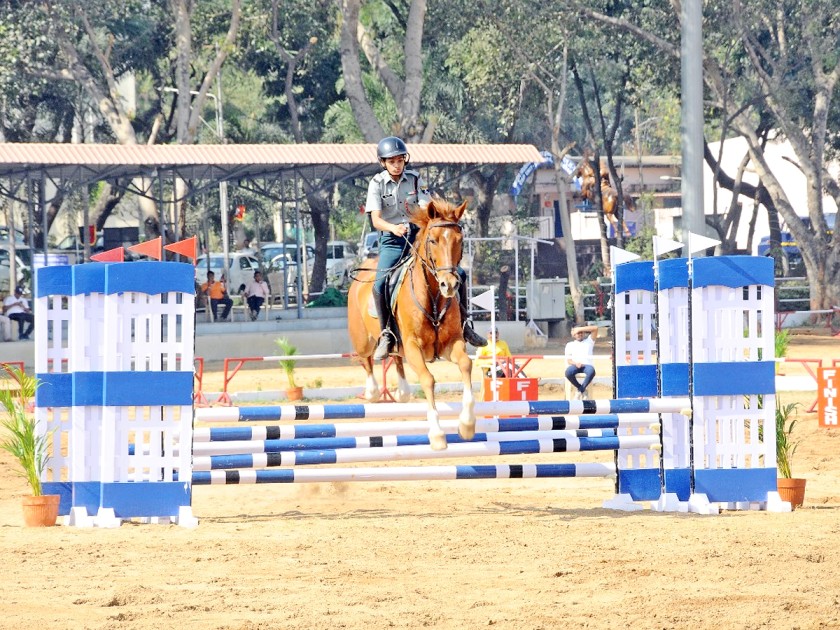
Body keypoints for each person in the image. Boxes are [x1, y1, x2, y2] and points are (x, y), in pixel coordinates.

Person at [365, 136, 487, 360]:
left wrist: (428, 216)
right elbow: (376, 220)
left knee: (458, 274)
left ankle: (466, 324)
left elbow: (424, 203)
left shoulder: (414, 179)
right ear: (383, 163)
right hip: (392, 240)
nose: (397, 164)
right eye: (392, 161)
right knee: (380, 283)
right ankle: (387, 334)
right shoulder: (377, 184)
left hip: (418, 237)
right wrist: (393, 228)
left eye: (400, 160)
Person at [564, 324, 599, 399]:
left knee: (591, 371)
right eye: (578, 333)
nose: (580, 334)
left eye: (581, 332)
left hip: (587, 366)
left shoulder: (589, 341)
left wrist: (579, 329)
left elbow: (595, 328)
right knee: (568, 372)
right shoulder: (570, 345)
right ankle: (582, 389)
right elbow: (569, 360)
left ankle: (579, 391)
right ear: (574, 334)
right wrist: (576, 363)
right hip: (575, 365)